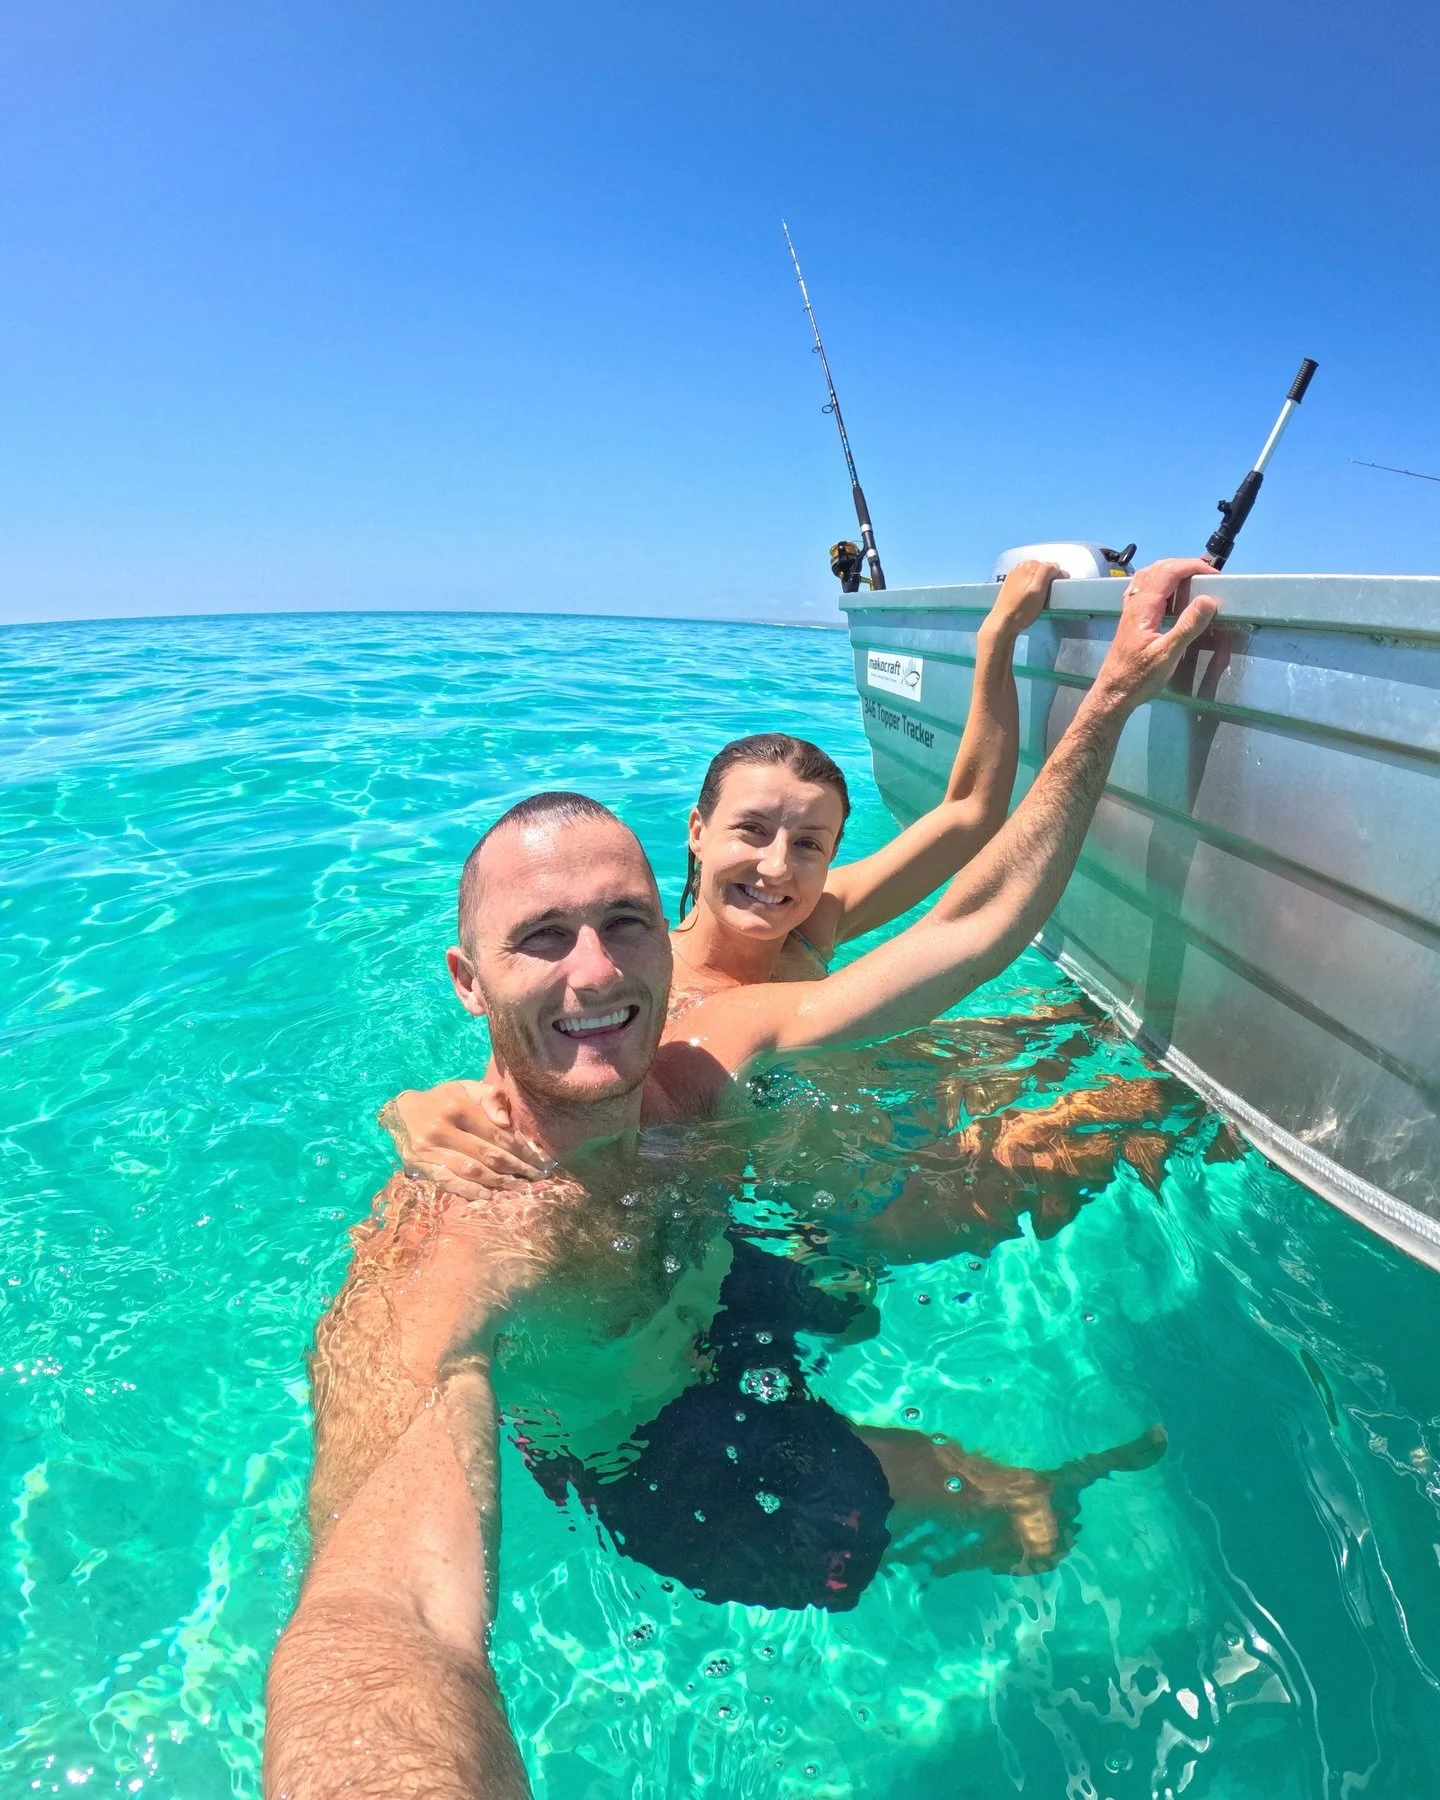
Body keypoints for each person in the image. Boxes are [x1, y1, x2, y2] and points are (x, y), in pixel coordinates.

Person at [265, 560, 1218, 1799]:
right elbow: (388, 1614)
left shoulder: (707, 1053)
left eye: (622, 925)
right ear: (468, 980)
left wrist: (1113, 697)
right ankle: (993, 1502)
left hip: (717, 1281)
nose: (596, 972)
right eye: (542, 939)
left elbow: (973, 932)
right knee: (970, 1508)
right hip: (653, 1453)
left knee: (1027, 1179)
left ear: (663, 938)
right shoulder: (467, 1234)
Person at [379, 558, 1066, 1195]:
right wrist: (413, 1111)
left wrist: (997, 641)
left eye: (808, 843)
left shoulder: (812, 919)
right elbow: (530, 1075)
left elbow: (969, 814)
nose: (777, 867)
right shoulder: (644, 986)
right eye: (752, 831)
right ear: (698, 832)